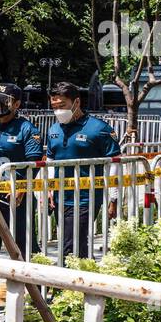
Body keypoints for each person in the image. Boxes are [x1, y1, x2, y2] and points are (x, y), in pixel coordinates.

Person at [0, 84, 41, 310]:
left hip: (17, 198)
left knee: (23, 245)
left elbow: (34, 160)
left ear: (17, 104)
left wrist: (21, 185)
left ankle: (36, 292)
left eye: (5, 100)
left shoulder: (26, 129)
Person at [45, 80, 120, 260]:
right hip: (60, 197)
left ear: (76, 102)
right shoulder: (53, 129)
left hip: (86, 197)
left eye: (62, 106)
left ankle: (62, 283)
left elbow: (115, 162)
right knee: (76, 242)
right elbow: (50, 159)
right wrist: (48, 188)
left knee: (70, 243)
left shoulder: (99, 129)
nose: (58, 111)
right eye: (54, 107)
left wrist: (114, 197)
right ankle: (86, 280)